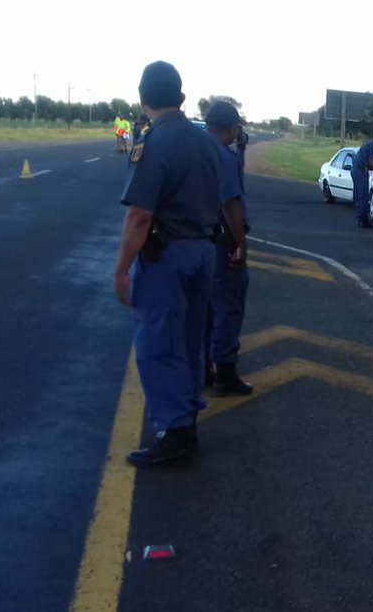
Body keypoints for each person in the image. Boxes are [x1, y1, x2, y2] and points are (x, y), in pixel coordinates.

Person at [114, 60, 222, 468]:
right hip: (203, 250)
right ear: (180, 96)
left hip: (167, 254)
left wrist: (122, 268)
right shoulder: (207, 142)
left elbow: (140, 215)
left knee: (159, 342)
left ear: (143, 99)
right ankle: (187, 416)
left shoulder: (152, 143)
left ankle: (175, 430)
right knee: (192, 339)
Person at [203, 100, 254, 397]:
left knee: (205, 310)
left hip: (196, 241)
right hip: (223, 240)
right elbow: (230, 203)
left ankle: (203, 369)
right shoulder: (223, 156)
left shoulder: (197, 149)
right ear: (233, 128)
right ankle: (225, 373)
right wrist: (241, 243)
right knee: (228, 308)